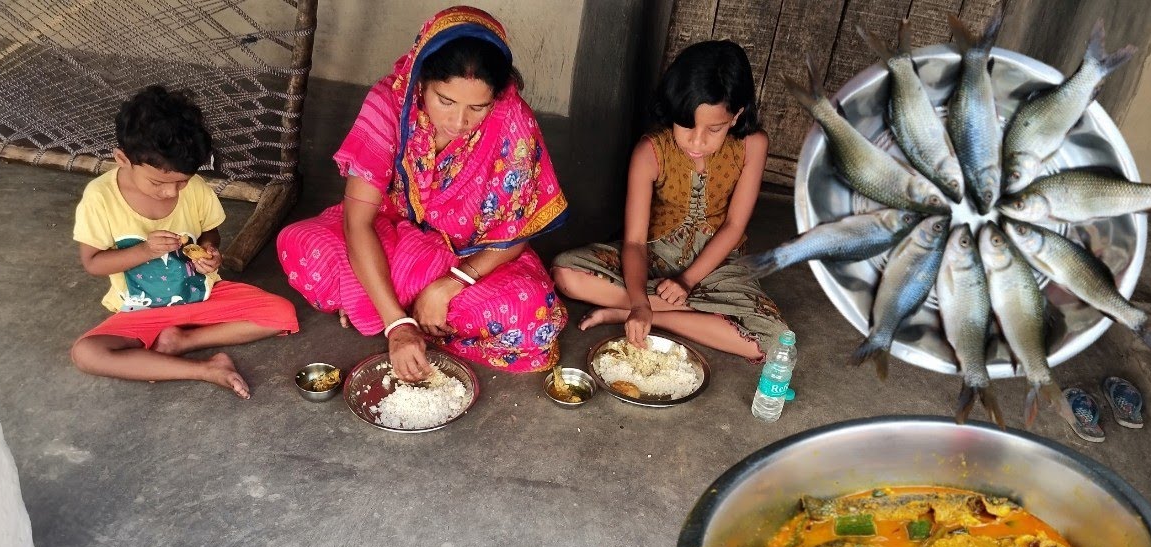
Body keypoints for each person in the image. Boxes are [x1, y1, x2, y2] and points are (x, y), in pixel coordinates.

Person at [277, 6, 569, 382]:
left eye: (477, 107)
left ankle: (377, 299)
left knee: (530, 316)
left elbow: (515, 235)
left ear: (496, 97)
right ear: (420, 81)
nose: (458, 121)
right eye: (445, 101)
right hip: (393, 238)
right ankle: (404, 314)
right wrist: (398, 327)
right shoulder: (390, 103)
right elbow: (358, 222)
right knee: (301, 246)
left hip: (470, 257)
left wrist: (451, 284)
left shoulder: (512, 120)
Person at [551, 40, 788, 361]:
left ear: (736, 116)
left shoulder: (752, 145)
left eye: (714, 129)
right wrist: (639, 300)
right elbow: (634, 242)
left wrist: (685, 282)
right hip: (654, 256)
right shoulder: (650, 151)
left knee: (773, 342)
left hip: (719, 264)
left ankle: (632, 314)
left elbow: (734, 226)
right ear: (674, 109)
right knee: (567, 274)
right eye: (687, 124)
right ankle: (686, 312)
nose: (697, 141)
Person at [69, 86, 299, 398]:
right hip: (142, 309)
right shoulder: (100, 198)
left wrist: (210, 251)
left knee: (282, 313)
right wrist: (145, 250)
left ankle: (183, 342)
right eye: (158, 183)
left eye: (182, 182)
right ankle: (205, 369)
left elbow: (209, 232)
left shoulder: (196, 189)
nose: (172, 193)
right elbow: (93, 263)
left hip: (204, 294)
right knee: (86, 353)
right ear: (123, 159)